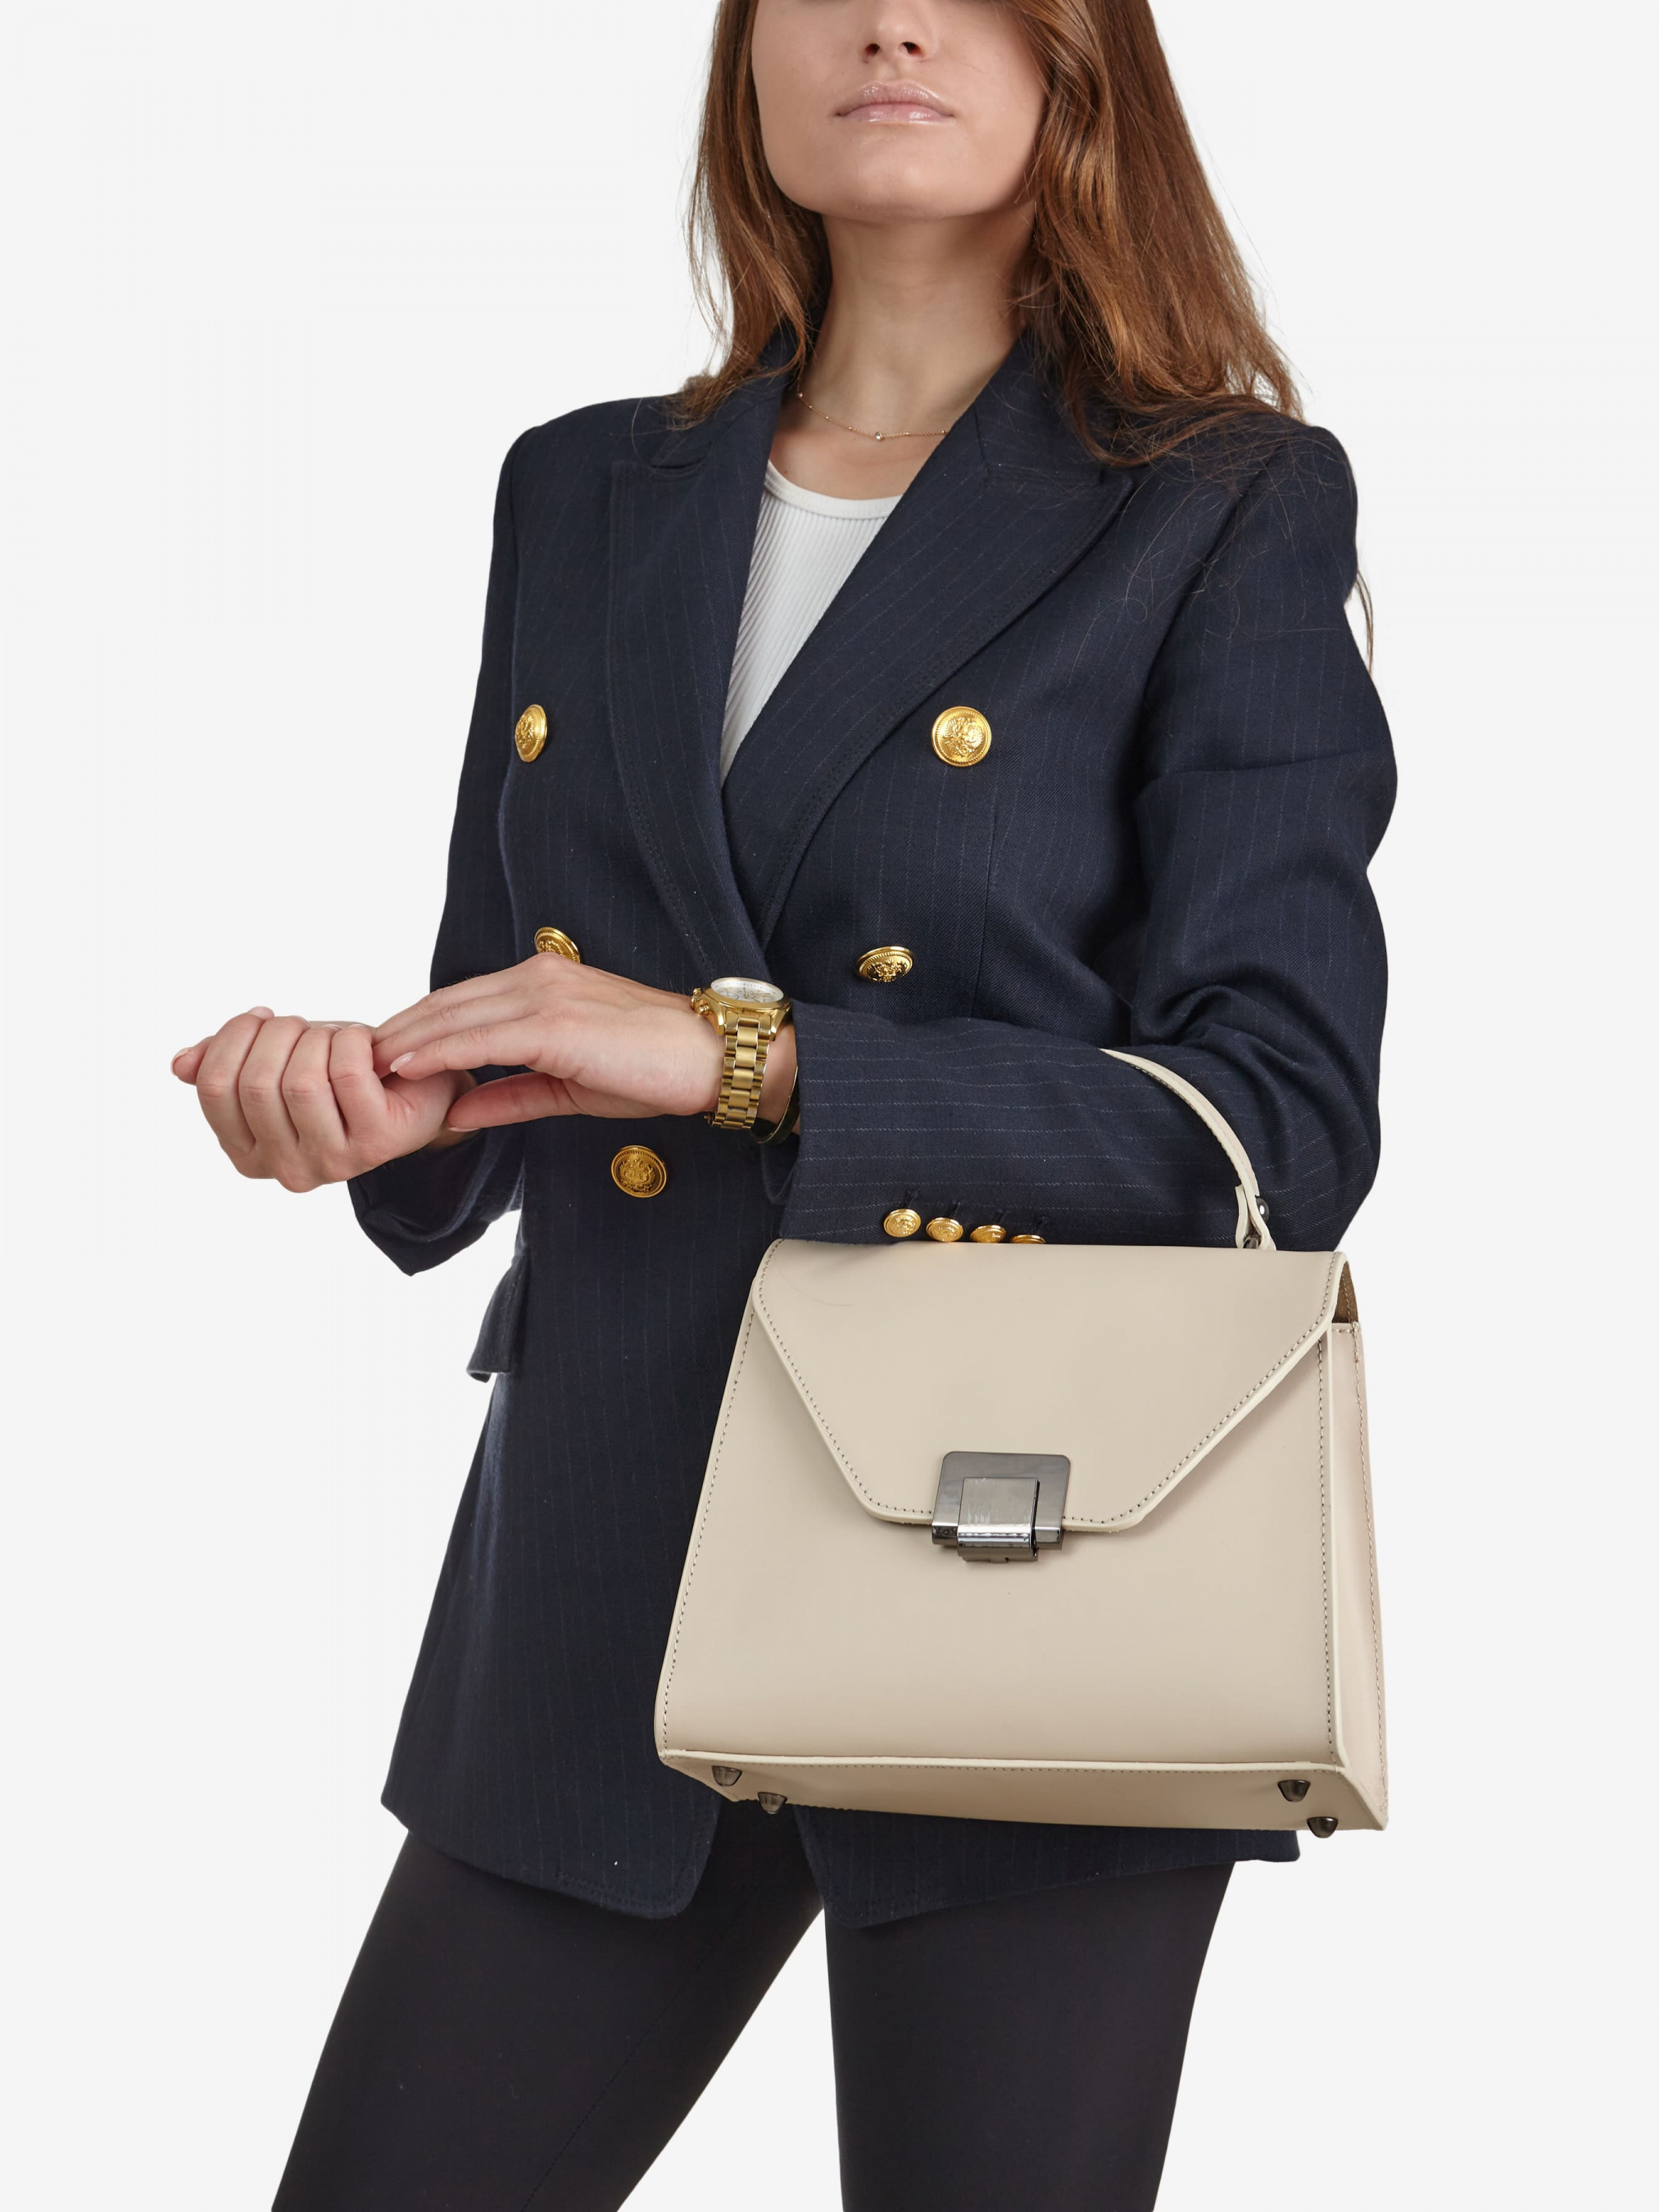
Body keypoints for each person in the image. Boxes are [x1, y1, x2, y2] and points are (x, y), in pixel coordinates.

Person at [174, 3, 1394, 2205]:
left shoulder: (1218, 499)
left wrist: (749, 1054)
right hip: (609, 1539)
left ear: (1076, 60)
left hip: (1033, 1546)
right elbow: (527, 1004)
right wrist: (379, 1110)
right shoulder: (579, 487)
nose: (889, 20)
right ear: (747, 60)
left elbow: (1276, 1122)